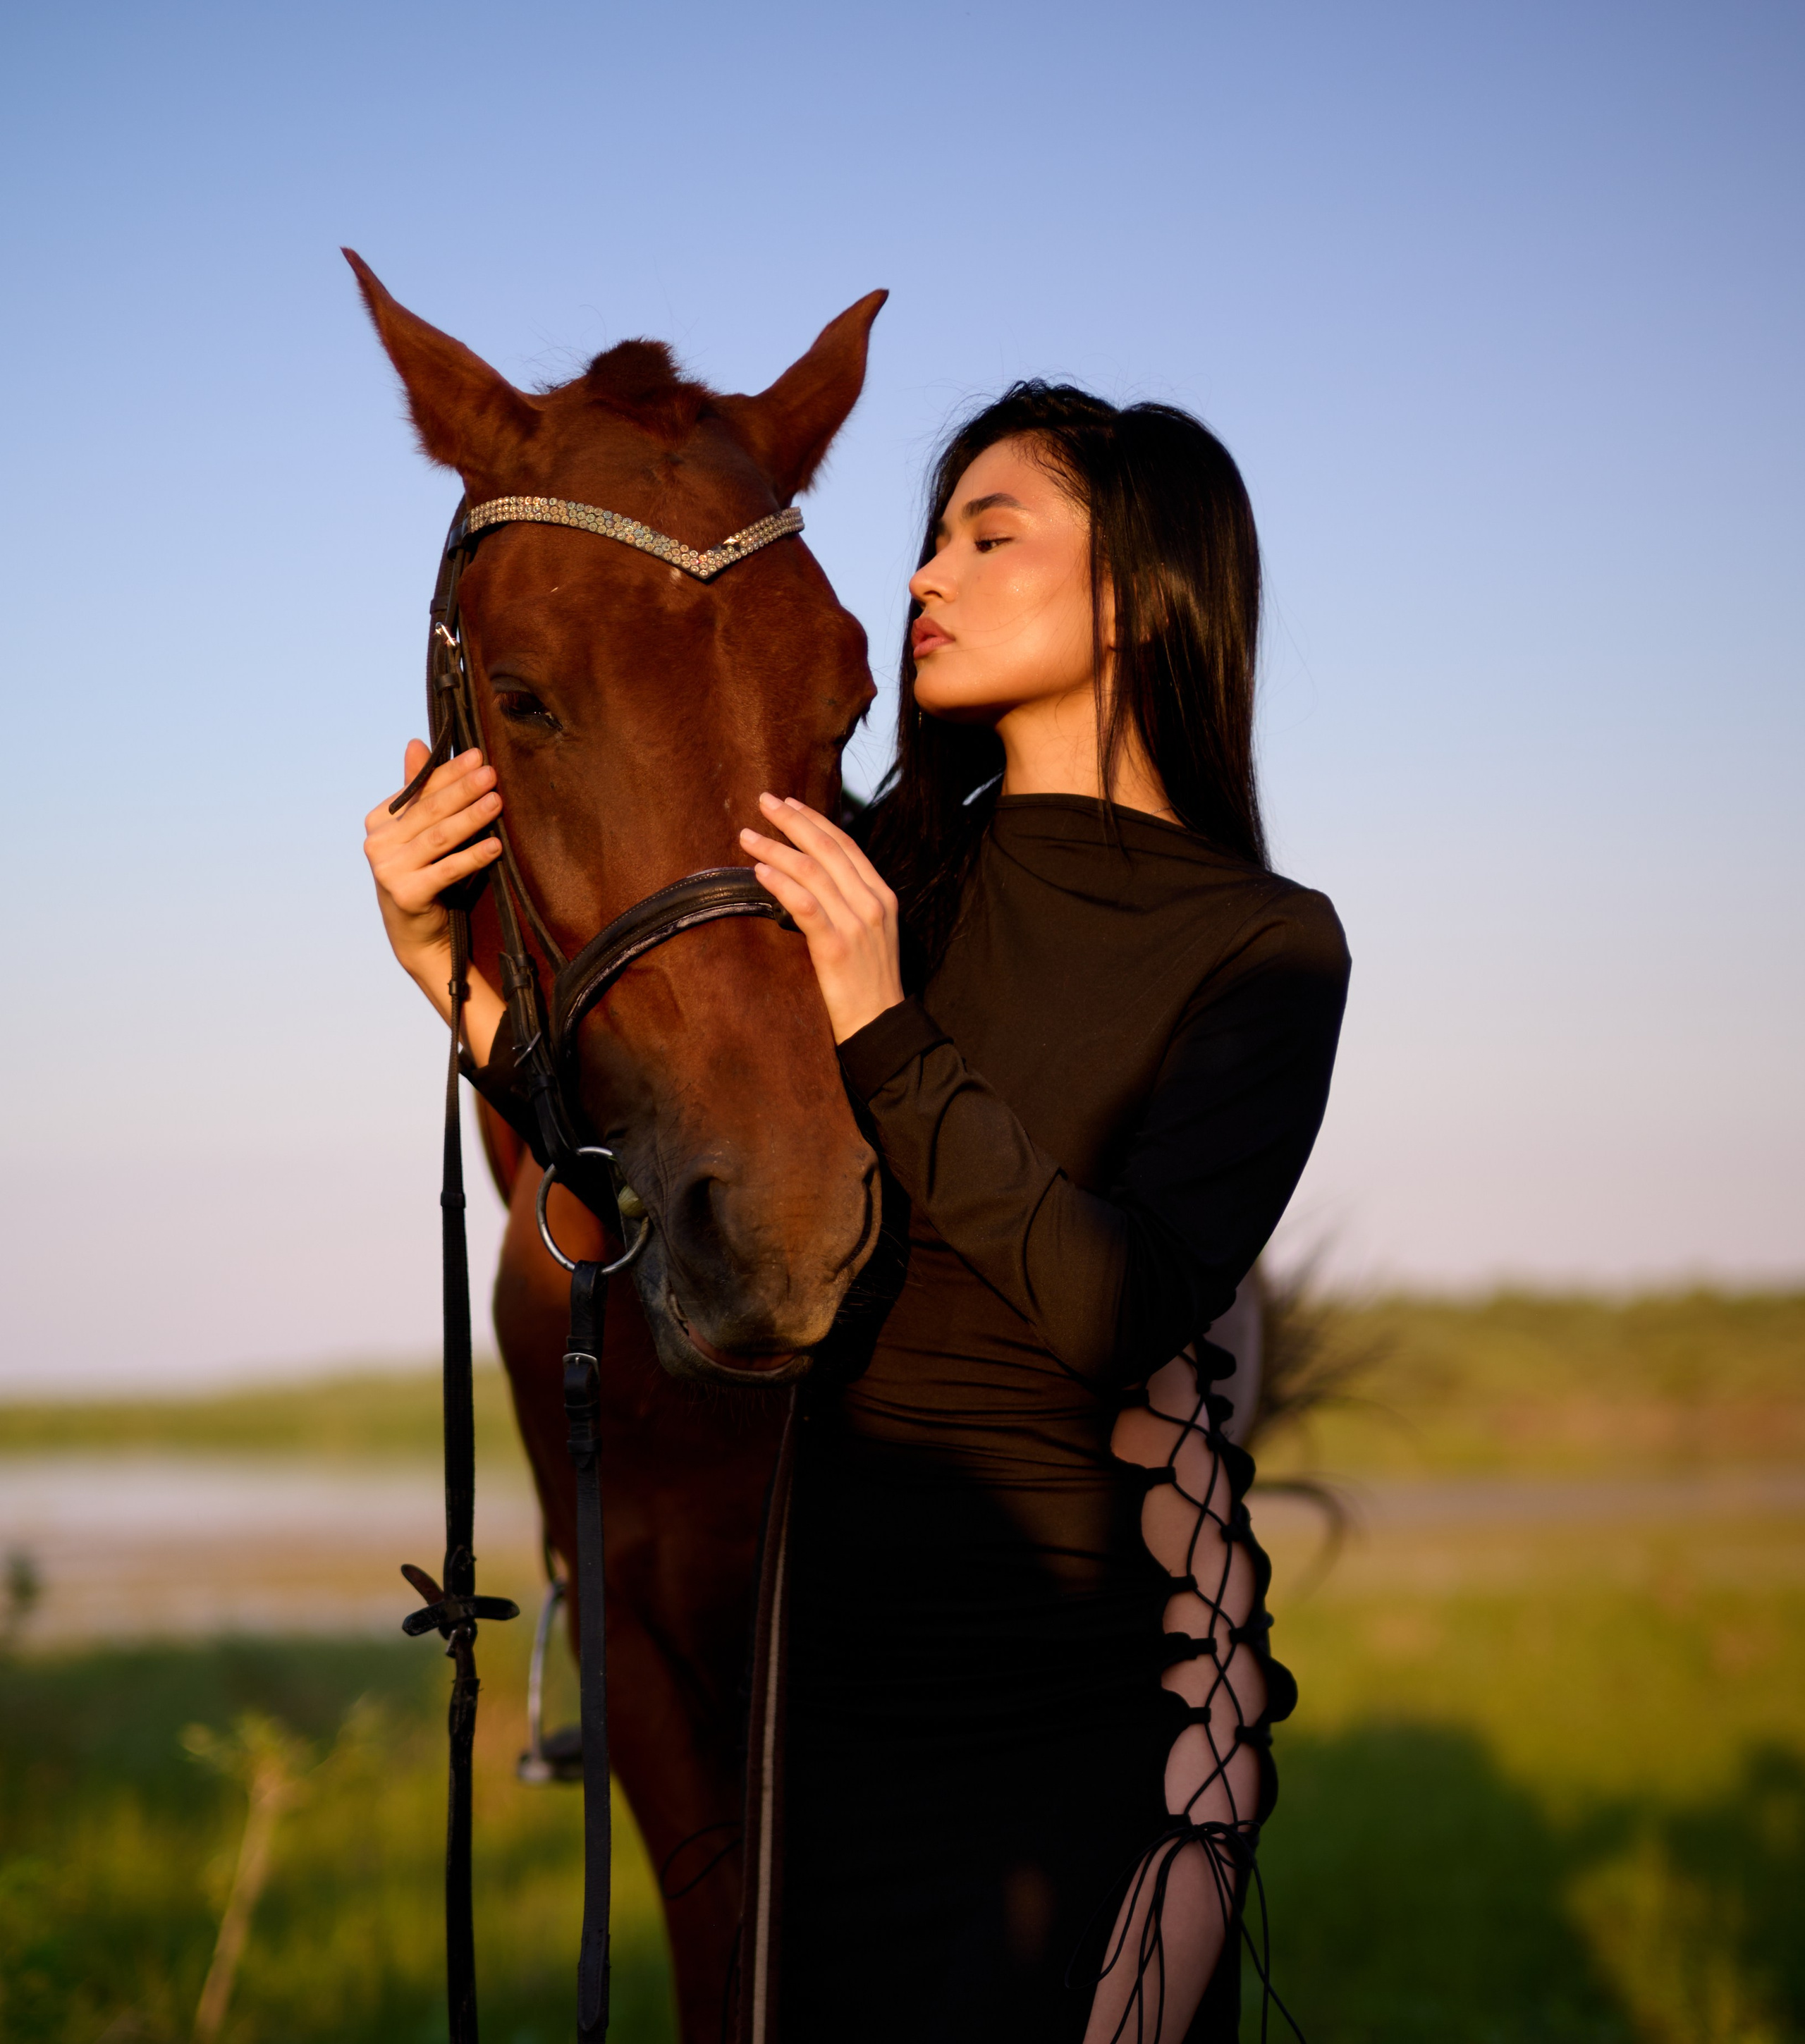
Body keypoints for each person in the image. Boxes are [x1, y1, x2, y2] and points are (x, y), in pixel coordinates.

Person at [366, 381, 1348, 2042]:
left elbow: (1119, 1305)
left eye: (989, 532)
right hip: (827, 1681)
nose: (923, 578)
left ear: (1138, 590)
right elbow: (656, 1162)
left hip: (1104, 1676)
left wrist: (883, 1023)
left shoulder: (1260, 944)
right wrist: (440, 971)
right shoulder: (877, 872)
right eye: (926, 538)